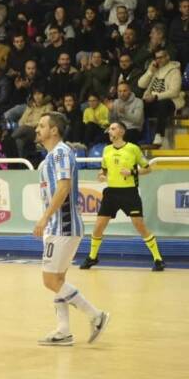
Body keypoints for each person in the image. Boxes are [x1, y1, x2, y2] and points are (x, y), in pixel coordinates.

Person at [32, 112, 110, 346]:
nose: (37, 129)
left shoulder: (61, 152)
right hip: (59, 227)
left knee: (50, 280)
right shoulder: (51, 157)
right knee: (58, 280)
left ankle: (96, 316)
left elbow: (64, 187)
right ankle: (63, 330)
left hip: (63, 226)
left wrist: (45, 218)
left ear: (54, 130)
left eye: (42, 125)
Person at [80, 122, 165, 272]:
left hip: (129, 193)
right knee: (98, 226)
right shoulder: (106, 150)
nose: (109, 131)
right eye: (109, 129)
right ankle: (92, 257)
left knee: (140, 226)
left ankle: (158, 259)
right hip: (111, 193)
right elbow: (103, 170)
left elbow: (148, 169)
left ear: (121, 132)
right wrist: (101, 175)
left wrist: (132, 172)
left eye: (113, 129)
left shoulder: (133, 149)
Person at [139, 47, 185, 145]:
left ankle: (159, 134)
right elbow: (141, 84)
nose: (158, 60)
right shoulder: (155, 70)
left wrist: (155, 97)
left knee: (163, 103)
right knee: (139, 103)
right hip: (152, 101)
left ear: (167, 57)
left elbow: (174, 92)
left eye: (161, 57)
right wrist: (150, 71)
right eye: (157, 58)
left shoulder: (175, 71)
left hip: (169, 101)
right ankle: (140, 134)